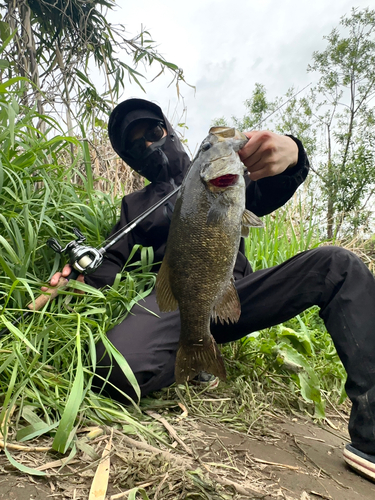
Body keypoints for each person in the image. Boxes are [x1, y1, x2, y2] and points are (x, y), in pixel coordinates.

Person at [47, 98, 375, 482]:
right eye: (136, 145)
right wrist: (81, 277)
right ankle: (195, 354)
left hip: (240, 294)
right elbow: (111, 260)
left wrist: (293, 153)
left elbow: (279, 184)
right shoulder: (134, 205)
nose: (149, 146)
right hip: (179, 303)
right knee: (113, 368)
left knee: (339, 265)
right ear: (131, 159)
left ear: (167, 129)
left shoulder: (230, 176)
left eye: (153, 132)